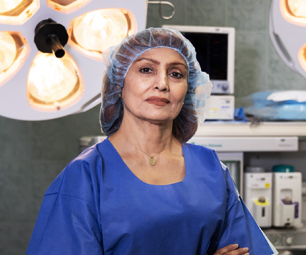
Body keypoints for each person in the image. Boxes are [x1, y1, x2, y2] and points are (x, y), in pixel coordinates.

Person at [26, 27, 278, 255]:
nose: (162, 84)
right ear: (119, 84)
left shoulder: (210, 168)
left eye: (176, 74)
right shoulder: (85, 176)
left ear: (188, 91)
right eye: (146, 70)